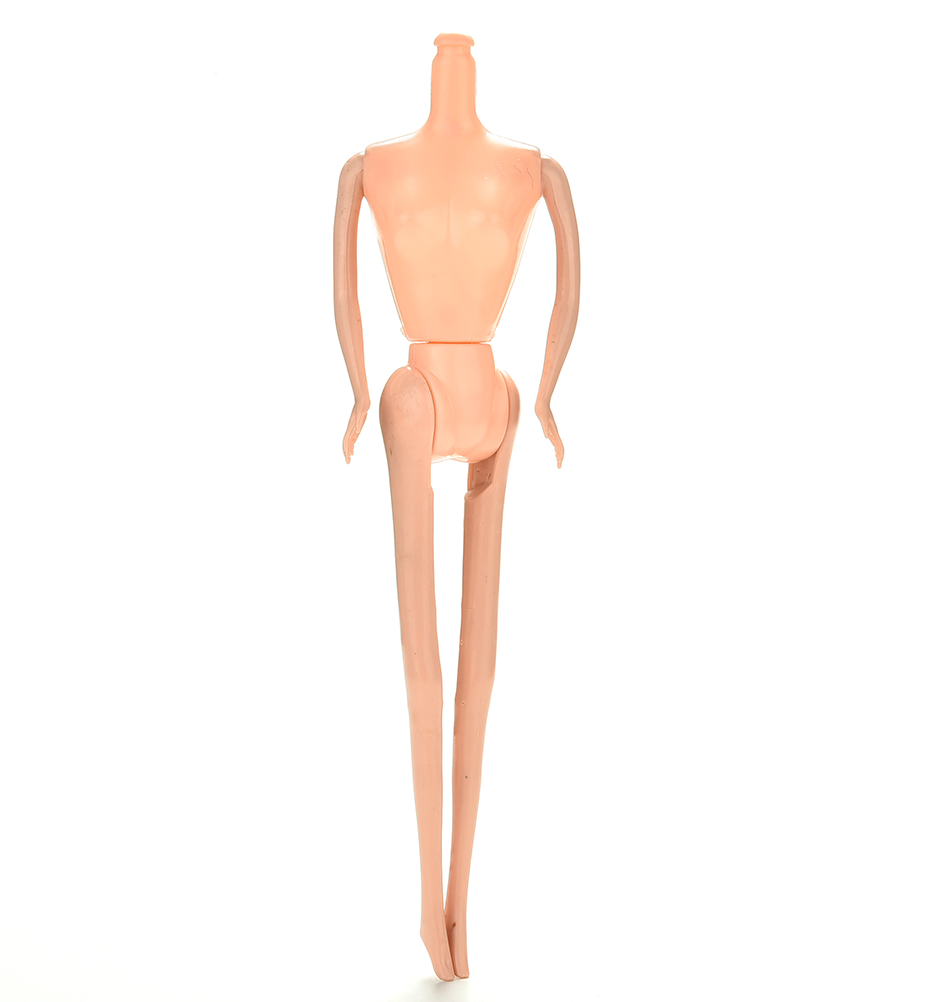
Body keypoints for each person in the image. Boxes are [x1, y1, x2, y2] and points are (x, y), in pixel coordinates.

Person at [332, 33, 580, 981]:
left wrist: (365, 393)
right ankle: (443, 908)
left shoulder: (401, 169)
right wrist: (540, 393)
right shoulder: (397, 168)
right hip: (471, 392)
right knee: (451, 660)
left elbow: (343, 291)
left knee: (448, 659)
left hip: (448, 390)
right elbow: (571, 285)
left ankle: (449, 906)